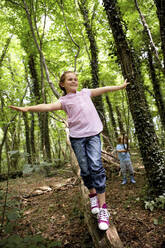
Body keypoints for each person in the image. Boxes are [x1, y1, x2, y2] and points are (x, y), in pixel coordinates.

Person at [9, 71, 129, 231]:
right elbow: (46, 107)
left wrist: (120, 86)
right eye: (70, 79)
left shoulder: (86, 93)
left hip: (93, 134)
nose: (74, 81)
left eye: (75, 79)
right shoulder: (63, 101)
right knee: (85, 170)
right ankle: (92, 194)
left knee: (96, 167)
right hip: (77, 138)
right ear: (62, 84)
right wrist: (28, 108)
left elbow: (104, 89)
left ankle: (103, 208)